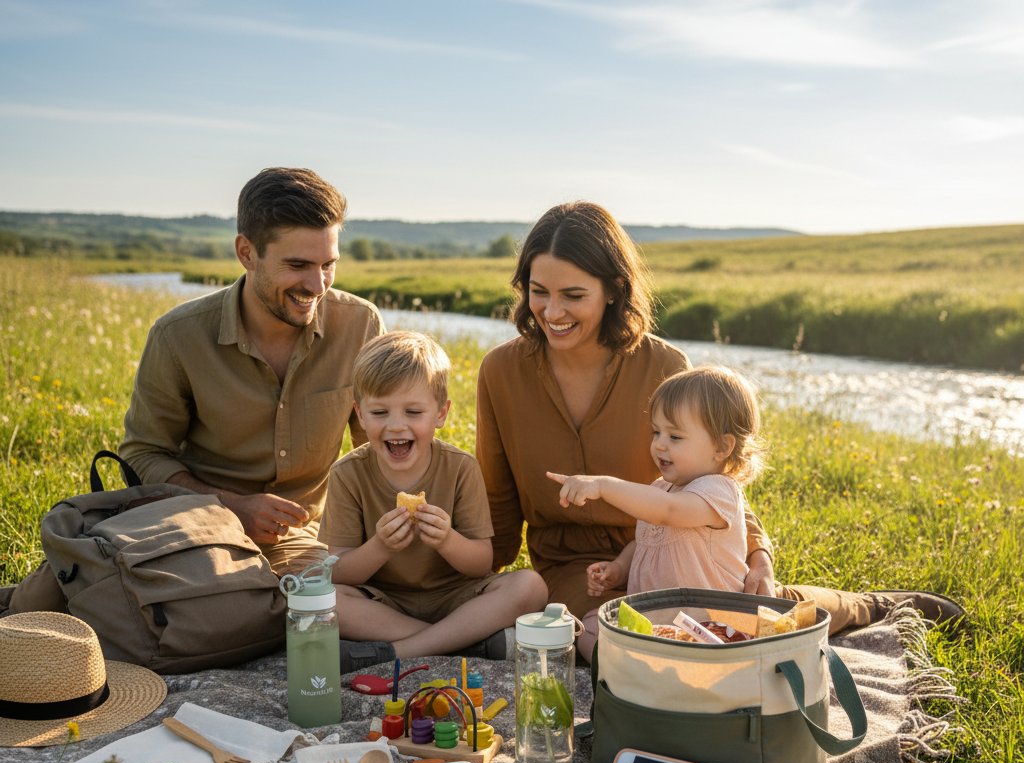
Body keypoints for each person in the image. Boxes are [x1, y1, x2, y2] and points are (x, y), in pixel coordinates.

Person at [475, 200, 965, 652]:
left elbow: (716, 479)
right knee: (631, 644)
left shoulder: (663, 365)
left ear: (613, 291)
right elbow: (496, 507)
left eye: (573, 295)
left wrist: (760, 556)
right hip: (580, 575)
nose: (552, 312)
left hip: (686, 554)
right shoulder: (501, 371)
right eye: (539, 293)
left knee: (767, 616)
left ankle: (870, 608)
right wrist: (446, 576)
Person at [118, 167, 384, 576]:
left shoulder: (361, 325)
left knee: (333, 593)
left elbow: (379, 445)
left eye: (328, 264)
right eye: (298, 265)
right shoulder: (178, 336)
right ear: (246, 253)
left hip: (307, 538)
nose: (317, 285)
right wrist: (228, 506)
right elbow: (143, 454)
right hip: (197, 531)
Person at [319, 331, 548, 670]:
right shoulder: (347, 474)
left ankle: (398, 652)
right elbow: (339, 573)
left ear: (441, 414)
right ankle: (466, 645)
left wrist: (447, 540)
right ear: (360, 414)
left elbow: (482, 563)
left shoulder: (460, 468)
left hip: (457, 598)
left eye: (413, 412)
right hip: (385, 602)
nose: (396, 426)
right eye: (380, 412)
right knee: (326, 601)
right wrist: (381, 546)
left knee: (531, 586)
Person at [548, 365, 767, 662]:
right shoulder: (661, 489)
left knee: (687, 655)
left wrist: (602, 486)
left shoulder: (719, 491)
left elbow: (667, 513)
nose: (659, 444)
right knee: (590, 627)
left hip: (709, 627)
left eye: (675, 437)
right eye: (656, 432)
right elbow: (645, 540)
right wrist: (619, 569)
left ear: (722, 447)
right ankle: (630, 671)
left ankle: (637, 673)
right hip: (657, 623)